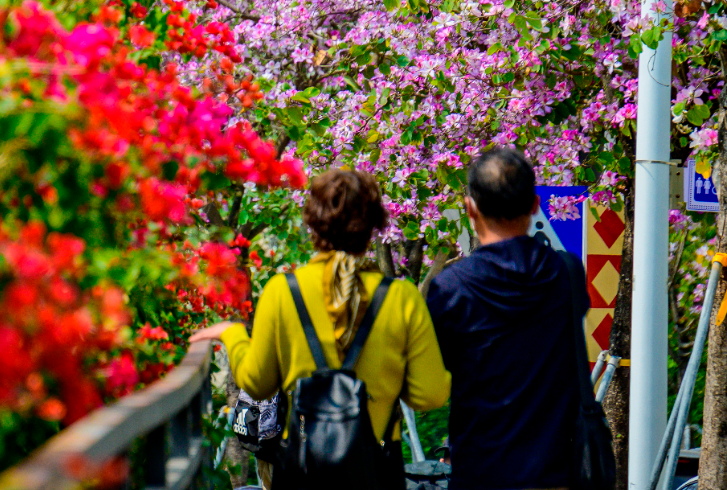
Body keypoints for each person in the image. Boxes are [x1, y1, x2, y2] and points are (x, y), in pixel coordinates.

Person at [191, 169, 451, 487]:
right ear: (373, 225)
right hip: (376, 470)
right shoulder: (401, 298)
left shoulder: (281, 292)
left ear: (312, 223)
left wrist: (232, 334)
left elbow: (257, 384)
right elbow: (431, 395)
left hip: (303, 469)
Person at [425, 148, 589, 490]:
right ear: (534, 205)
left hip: (479, 472)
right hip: (555, 473)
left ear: (470, 209)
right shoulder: (565, 274)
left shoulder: (451, 287)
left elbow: (434, 381)